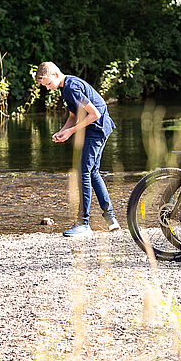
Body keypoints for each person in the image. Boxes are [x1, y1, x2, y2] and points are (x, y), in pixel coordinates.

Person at [35, 62, 120, 236]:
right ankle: (110, 219)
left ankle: (83, 223)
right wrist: (63, 131)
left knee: (83, 171)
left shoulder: (71, 88)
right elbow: (74, 115)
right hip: (95, 128)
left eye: (48, 84)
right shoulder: (64, 89)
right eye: (45, 87)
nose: (49, 89)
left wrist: (72, 131)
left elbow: (94, 114)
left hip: (97, 129)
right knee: (92, 172)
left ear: (56, 74)